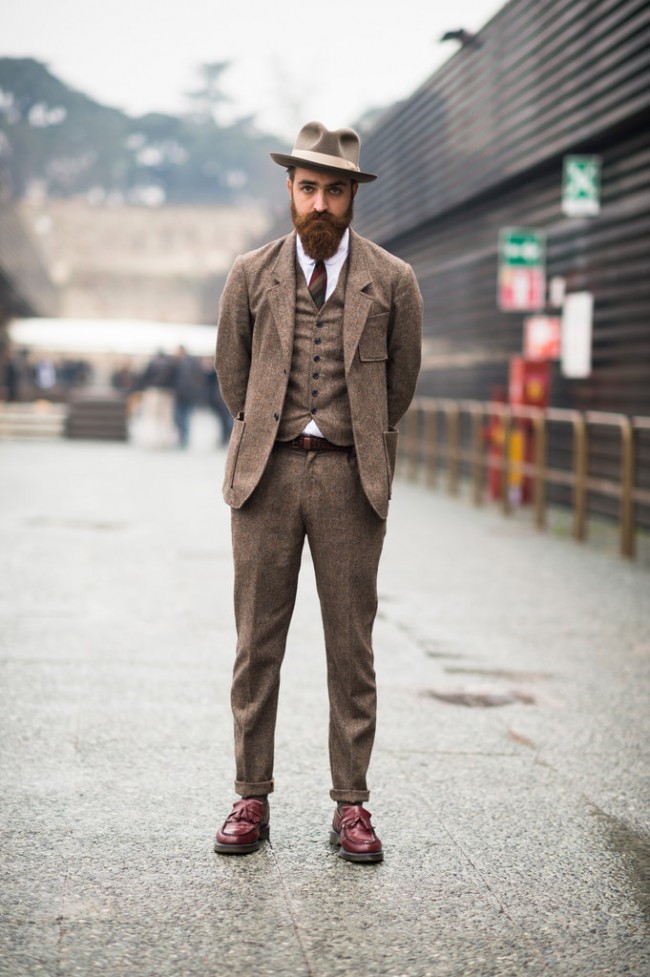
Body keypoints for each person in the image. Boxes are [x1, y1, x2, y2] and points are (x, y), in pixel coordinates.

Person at [213, 121, 423, 863]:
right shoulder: (249, 273)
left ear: (352, 196)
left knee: (351, 649)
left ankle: (352, 806)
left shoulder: (393, 280)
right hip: (266, 476)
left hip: (348, 477)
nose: (321, 203)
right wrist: (274, 430)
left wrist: (344, 432)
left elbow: (397, 388)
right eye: (309, 188)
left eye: (335, 189)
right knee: (256, 645)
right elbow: (233, 376)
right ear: (290, 191)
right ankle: (250, 795)